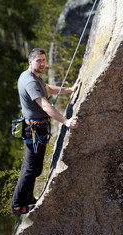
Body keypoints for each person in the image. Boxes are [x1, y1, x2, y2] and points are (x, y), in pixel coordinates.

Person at [10, 48, 79, 215]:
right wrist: (65, 121)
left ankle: (28, 198)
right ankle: (17, 205)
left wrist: (69, 90)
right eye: (38, 60)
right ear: (30, 61)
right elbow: (46, 105)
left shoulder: (30, 77)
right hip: (34, 130)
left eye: (44, 60)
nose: (42, 64)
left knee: (32, 167)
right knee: (31, 169)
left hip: (33, 128)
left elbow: (47, 88)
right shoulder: (31, 82)